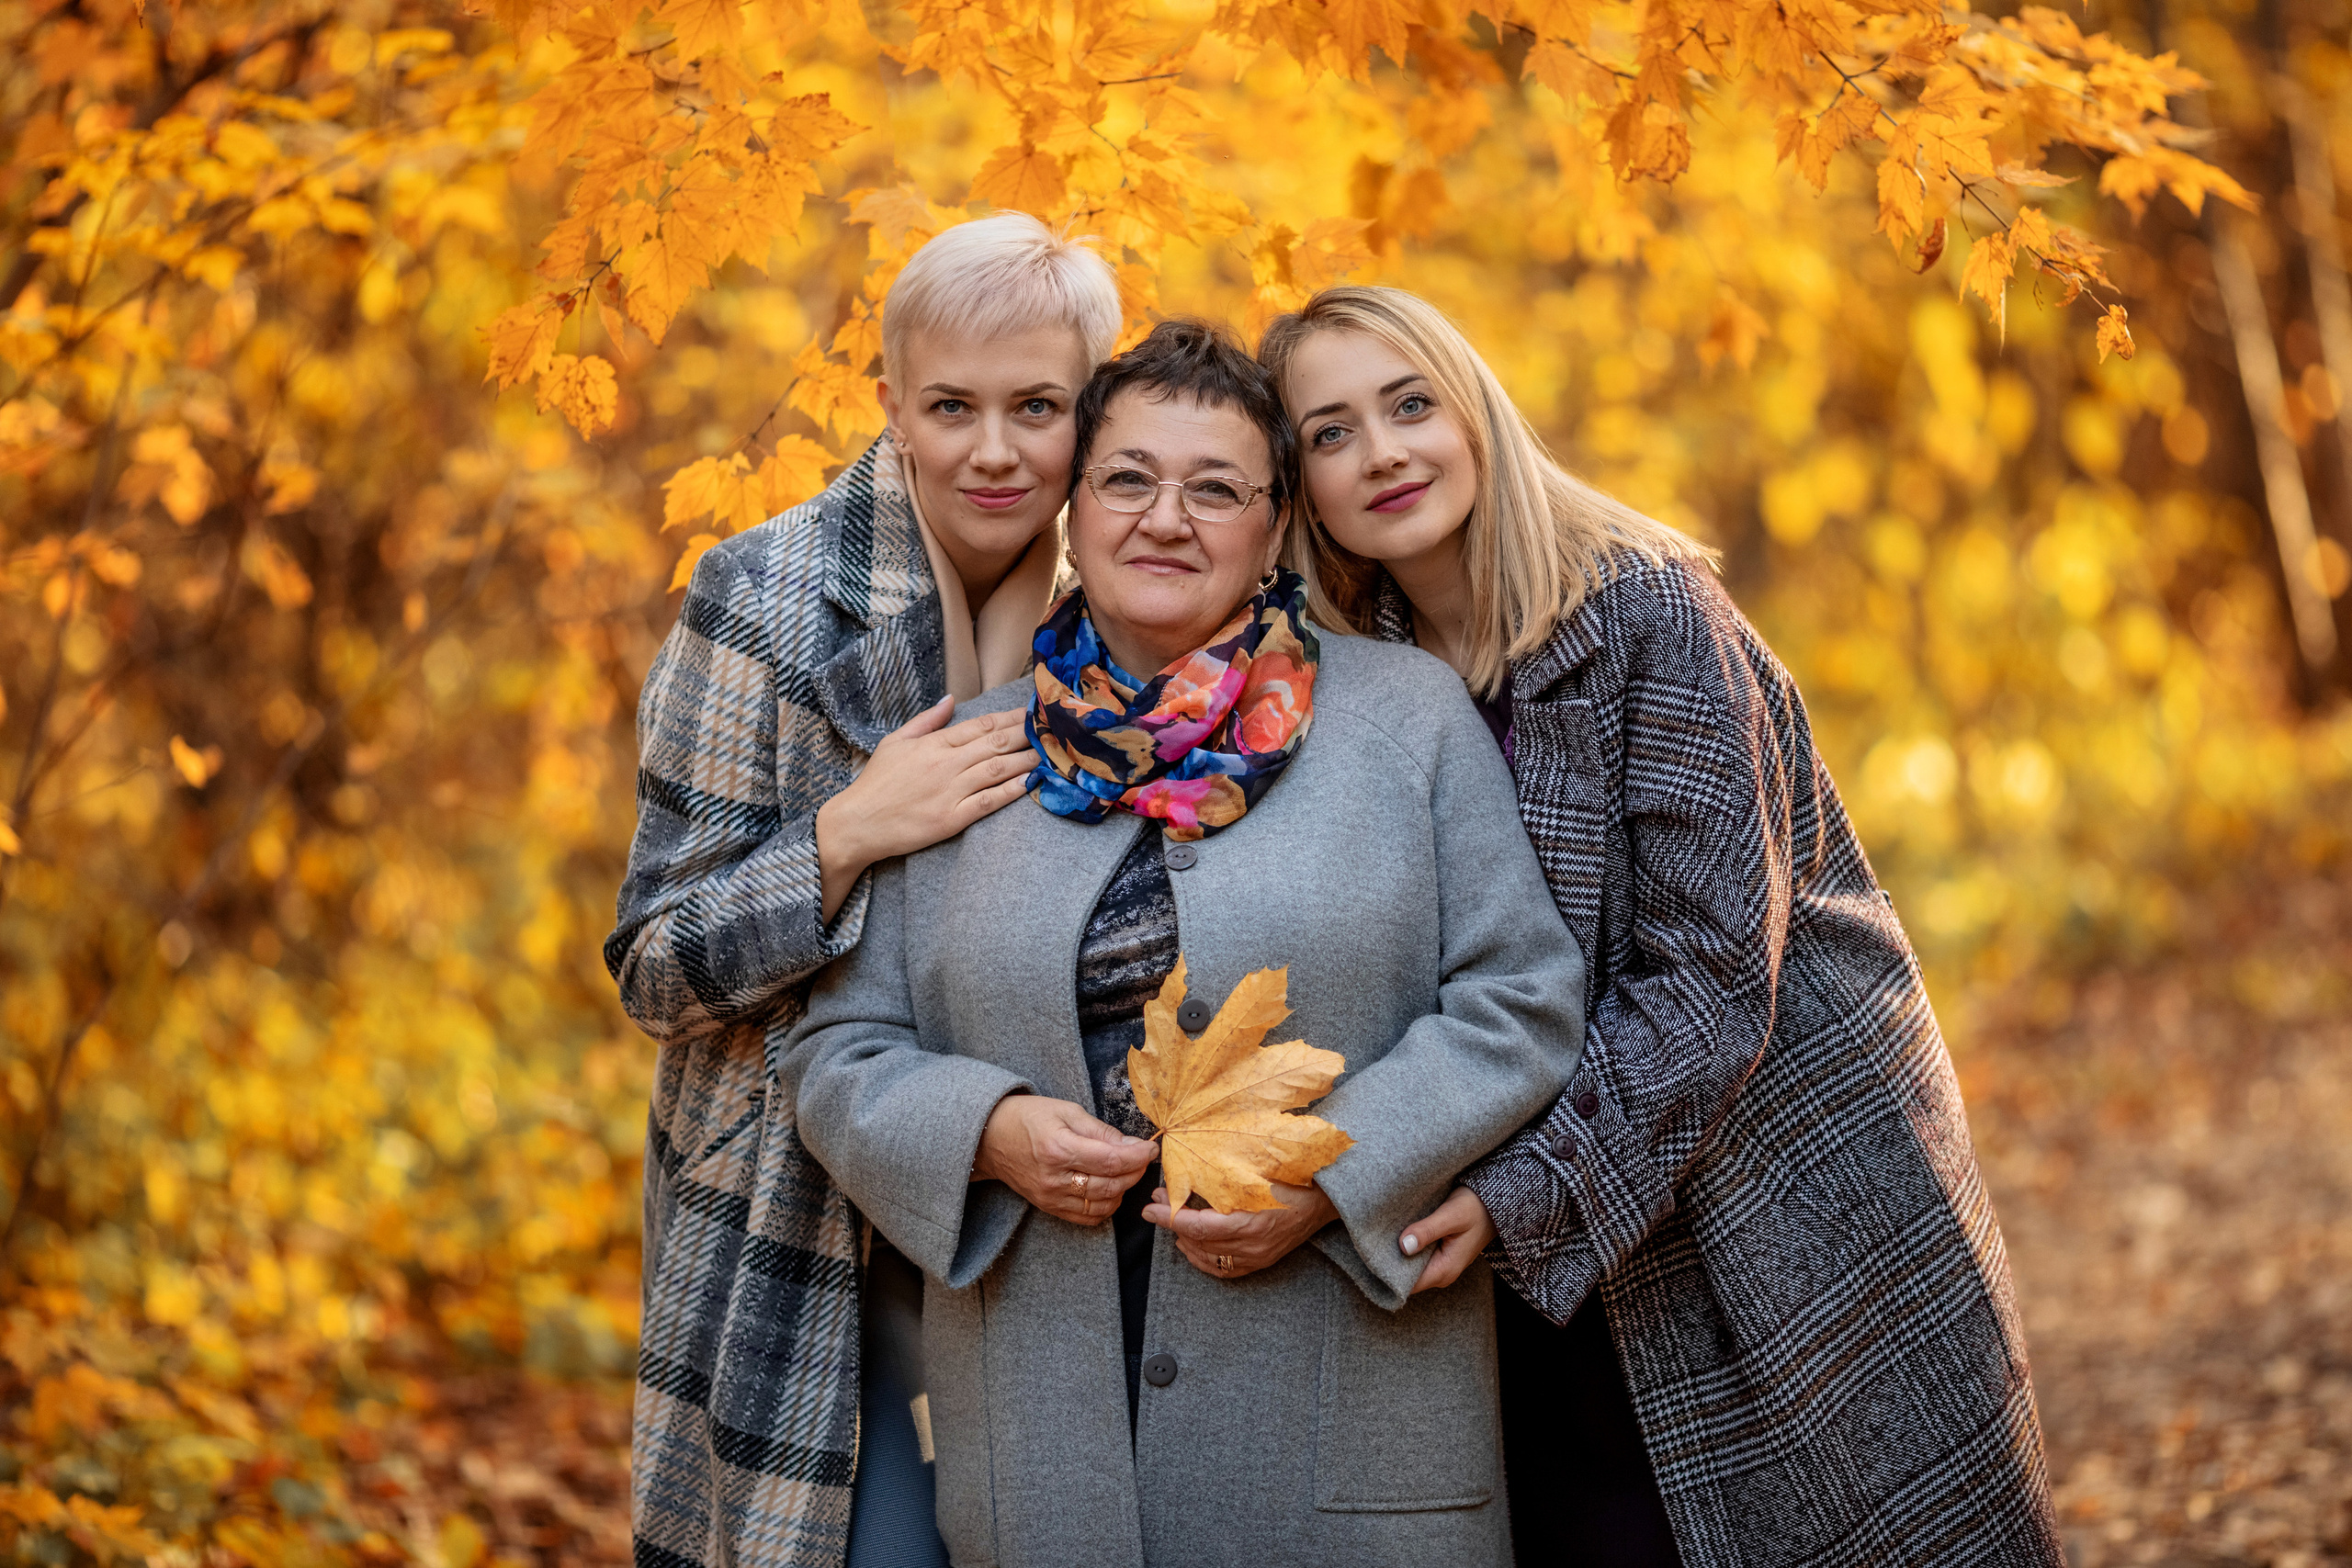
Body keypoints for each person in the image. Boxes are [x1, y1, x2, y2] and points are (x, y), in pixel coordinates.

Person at [1259, 286, 2064, 1568]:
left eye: (1410, 404)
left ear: (1474, 409)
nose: (1385, 452)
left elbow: (1710, 984)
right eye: (1333, 433)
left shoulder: (1648, 614)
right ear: (1301, 486)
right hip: (1541, 1205)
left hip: (1771, 1188)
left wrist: (1524, 1193)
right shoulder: (1355, 669)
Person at [778, 320, 1588, 1568]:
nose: (1169, 519)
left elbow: (1522, 1000)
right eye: (1130, 480)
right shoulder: (964, 755)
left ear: (1274, 528)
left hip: (1352, 1418)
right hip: (1044, 1426)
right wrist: (985, 1133)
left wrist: (1329, 1176)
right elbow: (838, 1052)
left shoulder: (1407, 720)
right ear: (1073, 508)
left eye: (1216, 489)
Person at [605, 212, 1122, 1568]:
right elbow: (656, 970)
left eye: (1039, 408)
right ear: (890, 402)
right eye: (951, 406)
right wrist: (842, 835)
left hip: (1053, 1226)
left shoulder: (1128, 607)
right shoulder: (768, 600)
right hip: (805, 1229)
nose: (995, 450)